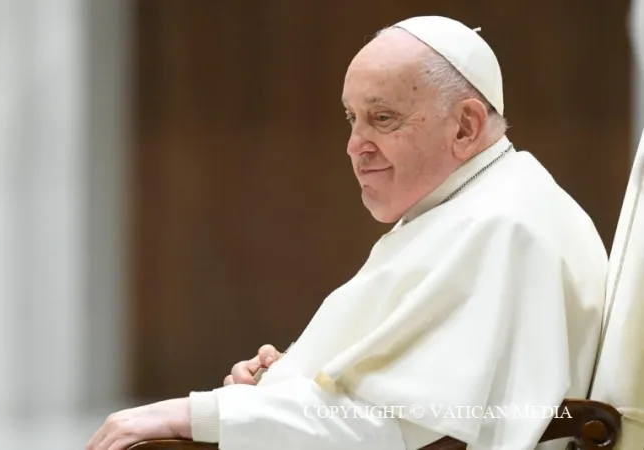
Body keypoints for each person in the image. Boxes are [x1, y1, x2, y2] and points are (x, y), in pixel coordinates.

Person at [86, 15, 608, 450]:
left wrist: (198, 415)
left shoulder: (500, 225)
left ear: (466, 127)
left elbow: (396, 428)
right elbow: (403, 391)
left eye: (382, 118)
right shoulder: (476, 203)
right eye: (351, 119)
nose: (355, 145)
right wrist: (289, 378)